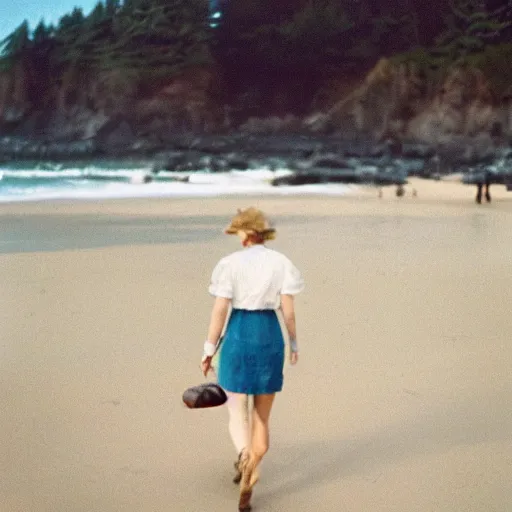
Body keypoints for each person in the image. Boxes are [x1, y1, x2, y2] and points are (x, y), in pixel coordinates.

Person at [201, 207, 304, 511]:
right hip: (269, 336)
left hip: (238, 334)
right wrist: (294, 342)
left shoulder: (229, 264)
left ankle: (245, 456)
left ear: (244, 234)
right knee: (262, 417)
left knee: (236, 412)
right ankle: (254, 460)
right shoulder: (281, 263)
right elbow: (289, 310)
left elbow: (220, 310)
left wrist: (208, 350)